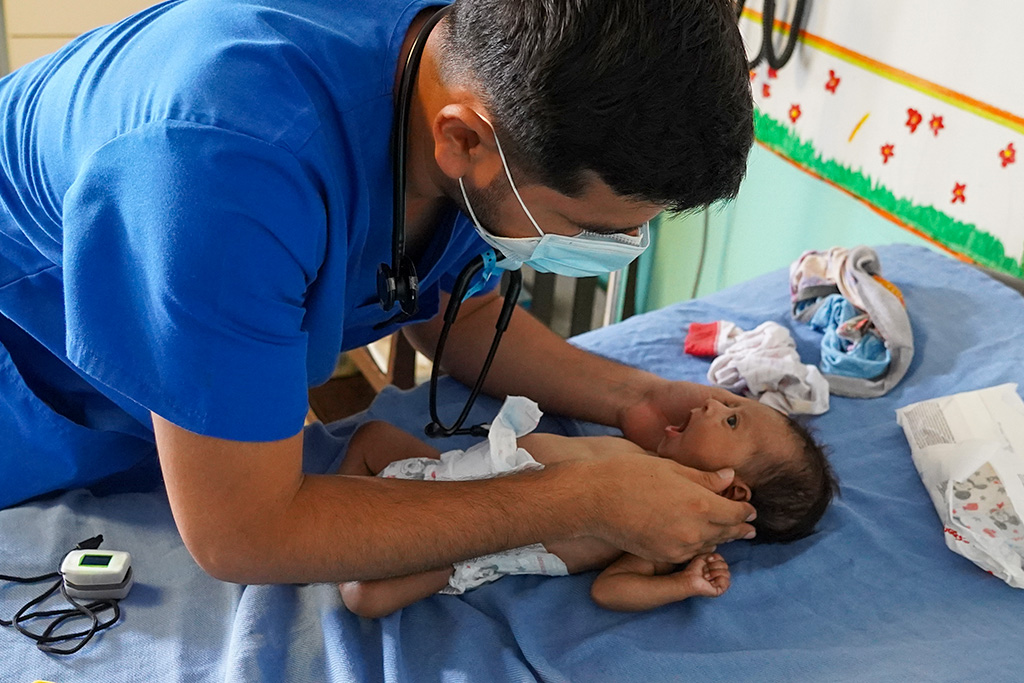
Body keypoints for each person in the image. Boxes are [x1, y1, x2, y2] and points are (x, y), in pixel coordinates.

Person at [0, 0, 755, 585]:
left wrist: (633, 398)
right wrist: (584, 497)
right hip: (27, 358)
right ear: (462, 140)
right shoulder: (218, 173)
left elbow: (455, 307)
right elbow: (241, 533)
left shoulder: (474, 58)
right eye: (581, 225)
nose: (608, 253)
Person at [339, 394, 838, 617]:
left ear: (733, 492)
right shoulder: (640, 455)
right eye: (731, 403)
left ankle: (333, 543)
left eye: (731, 422)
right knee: (372, 435)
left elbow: (611, 590)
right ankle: (325, 518)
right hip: (446, 470)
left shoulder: (670, 536)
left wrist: (681, 583)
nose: (711, 404)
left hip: (465, 545)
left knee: (365, 595)